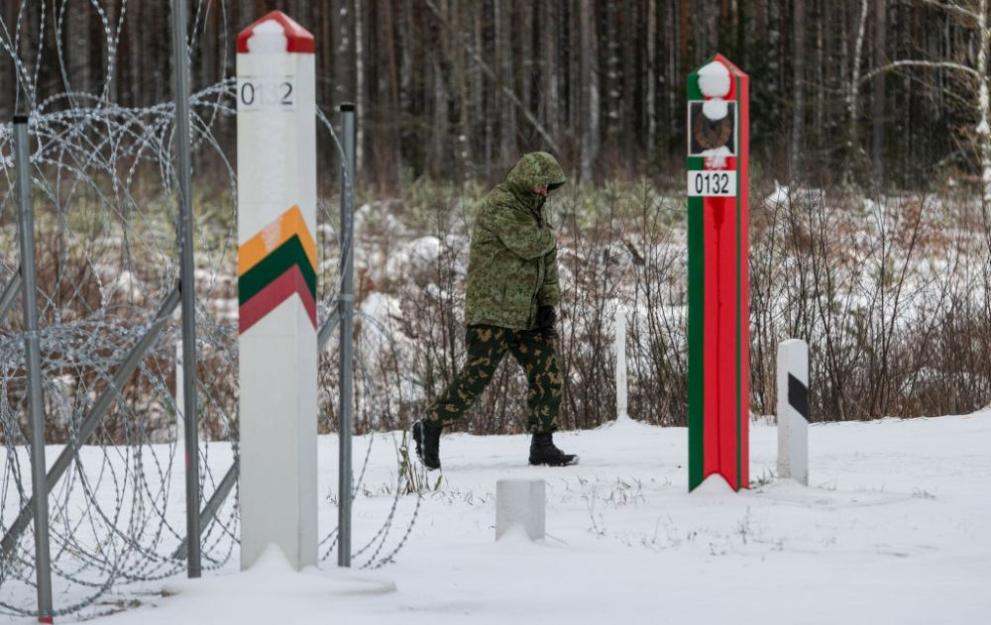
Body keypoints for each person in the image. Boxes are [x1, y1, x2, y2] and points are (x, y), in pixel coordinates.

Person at [412, 151, 578, 470]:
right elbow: (528, 244)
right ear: (526, 181)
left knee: (548, 373)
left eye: (548, 186)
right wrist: (550, 237)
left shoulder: (535, 214)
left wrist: (547, 304)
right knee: (477, 376)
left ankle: (542, 444)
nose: (544, 191)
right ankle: (429, 426)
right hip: (492, 311)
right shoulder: (501, 205)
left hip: (527, 315)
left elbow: (547, 264)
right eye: (540, 185)